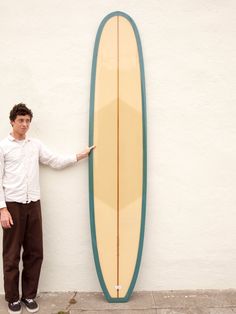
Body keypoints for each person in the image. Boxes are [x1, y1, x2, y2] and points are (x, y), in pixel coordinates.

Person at [0, 103, 94, 314]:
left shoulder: (36, 145)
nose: (24, 124)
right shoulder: (3, 147)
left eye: (27, 121)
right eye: (21, 120)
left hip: (33, 204)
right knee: (12, 254)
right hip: (12, 206)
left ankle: (29, 296)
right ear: (12, 122)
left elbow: (55, 161)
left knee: (35, 252)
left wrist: (80, 155)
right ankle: (13, 299)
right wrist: (2, 209)